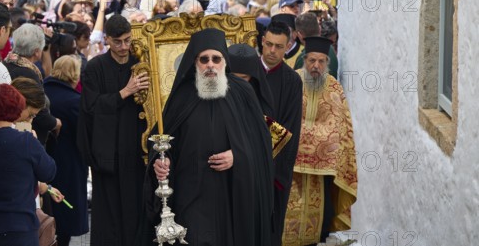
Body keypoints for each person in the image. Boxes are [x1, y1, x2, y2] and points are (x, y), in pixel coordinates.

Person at [144, 28, 273, 246]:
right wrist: (160, 163)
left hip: (232, 193)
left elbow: (261, 144)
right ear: (195, 62)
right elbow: (161, 143)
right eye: (204, 59)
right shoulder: (181, 98)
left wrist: (237, 156)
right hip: (191, 194)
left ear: (225, 61)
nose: (211, 65)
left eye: (216, 58)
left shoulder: (243, 93)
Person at [78, 14, 149, 246]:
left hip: (135, 148)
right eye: (117, 42)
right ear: (106, 39)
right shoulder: (95, 67)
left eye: (128, 40)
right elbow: (90, 107)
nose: (124, 47)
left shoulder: (139, 63)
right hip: (107, 153)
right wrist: (124, 92)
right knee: (108, 211)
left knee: (135, 206)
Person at [0, 84, 57, 246]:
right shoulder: (26, 141)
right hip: (17, 226)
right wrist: (36, 143)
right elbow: (49, 172)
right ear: (17, 108)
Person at [284, 37, 357, 246]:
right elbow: (283, 120)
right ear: (304, 60)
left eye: (321, 61)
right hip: (290, 168)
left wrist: (309, 139)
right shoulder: (291, 81)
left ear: (327, 64)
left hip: (323, 172)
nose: (316, 66)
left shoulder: (335, 89)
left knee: (321, 223)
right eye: (312, 60)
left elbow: (339, 128)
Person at [259, 21, 303, 246]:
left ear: (288, 47)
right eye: (268, 44)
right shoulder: (245, 72)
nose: (272, 51)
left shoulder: (292, 81)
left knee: (270, 230)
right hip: (238, 165)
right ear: (262, 42)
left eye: (279, 46)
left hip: (273, 168)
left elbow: (289, 131)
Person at [43, 56, 89, 246]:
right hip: (69, 163)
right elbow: (85, 135)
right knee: (66, 216)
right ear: (75, 75)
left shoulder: (43, 91)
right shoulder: (74, 101)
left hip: (44, 160)